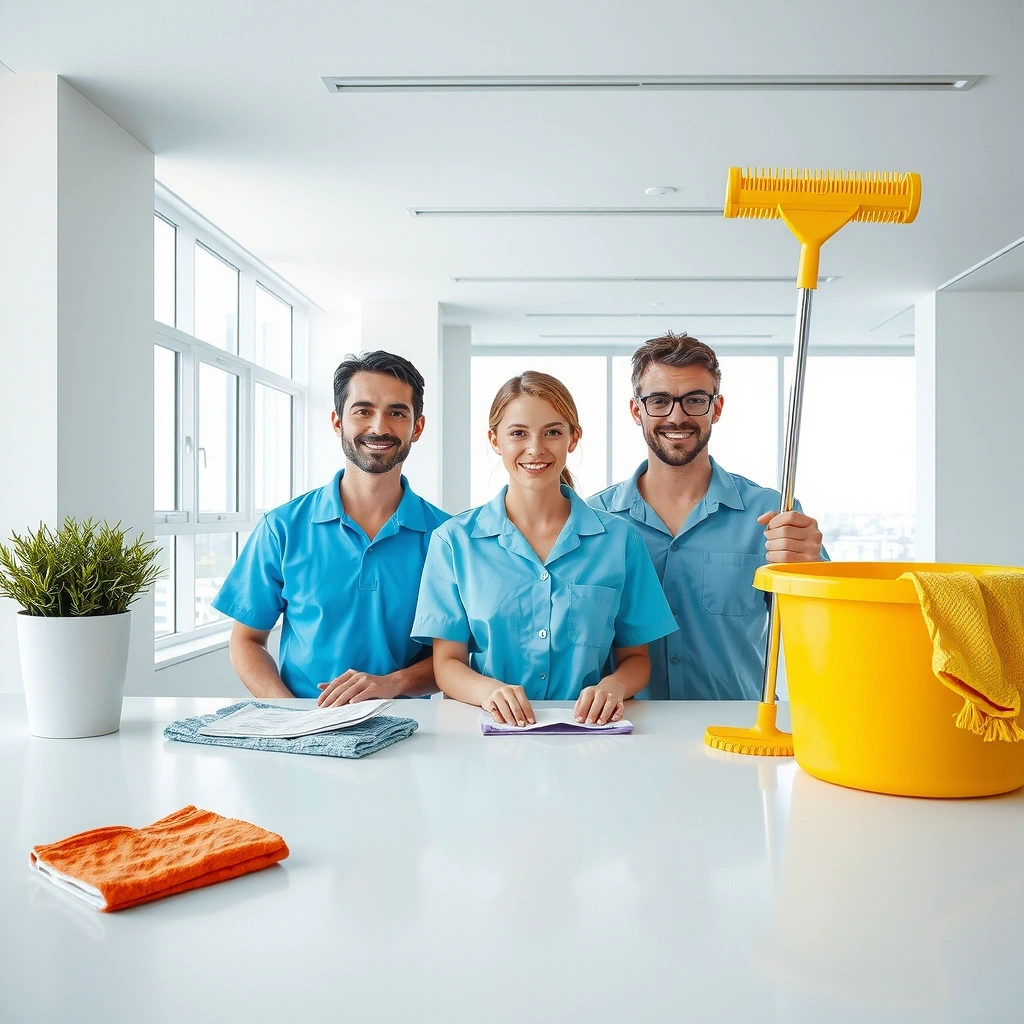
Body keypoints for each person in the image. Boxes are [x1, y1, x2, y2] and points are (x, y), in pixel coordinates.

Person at [411, 371, 677, 727]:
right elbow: (446, 663)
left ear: (573, 438)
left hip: (591, 734)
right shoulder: (453, 542)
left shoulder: (620, 540)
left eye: (552, 432)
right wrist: (489, 692)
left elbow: (637, 658)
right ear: (494, 440)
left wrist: (613, 686)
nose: (535, 449)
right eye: (518, 433)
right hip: (491, 735)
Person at [589, 332, 825, 701]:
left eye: (695, 400)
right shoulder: (594, 519)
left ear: (716, 408)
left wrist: (814, 573)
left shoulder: (773, 515)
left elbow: (821, 631)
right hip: (628, 728)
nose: (677, 417)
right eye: (659, 401)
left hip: (739, 725)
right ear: (637, 411)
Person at [213, 350, 449, 703]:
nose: (379, 427)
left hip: (409, 725)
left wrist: (394, 683)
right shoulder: (282, 528)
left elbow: (452, 658)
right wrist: (292, 715)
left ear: (417, 427)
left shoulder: (447, 537)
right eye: (363, 411)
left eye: (396, 413)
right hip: (304, 721)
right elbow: (247, 640)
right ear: (338, 422)